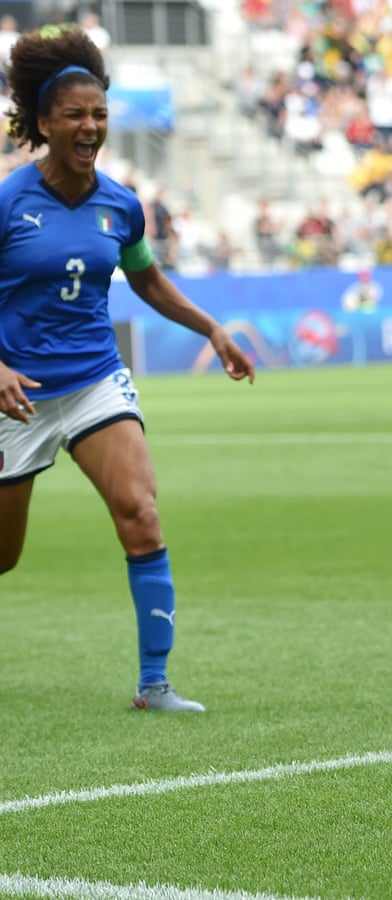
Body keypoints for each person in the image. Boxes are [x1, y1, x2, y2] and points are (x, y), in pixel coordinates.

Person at [0, 25, 256, 712]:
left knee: (140, 512)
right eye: (75, 115)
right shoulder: (8, 201)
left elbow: (146, 280)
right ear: (44, 123)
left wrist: (212, 329)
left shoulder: (121, 206)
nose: (91, 127)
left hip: (93, 382)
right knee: (4, 556)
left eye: (100, 114)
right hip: (15, 396)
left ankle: (154, 683)